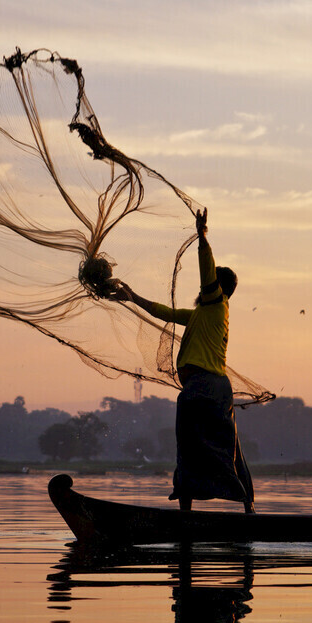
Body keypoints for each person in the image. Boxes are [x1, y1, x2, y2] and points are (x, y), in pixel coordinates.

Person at [111, 208, 255, 513]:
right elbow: (164, 313)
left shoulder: (217, 305)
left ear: (218, 287)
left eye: (211, 283)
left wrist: (202, 238)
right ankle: (241, 509)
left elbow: (206, 270)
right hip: (210, 389)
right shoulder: (201, 315)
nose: (204, 287)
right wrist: (131, 296)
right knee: (219, 447)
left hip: (205, 388)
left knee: (199, 448)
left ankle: (217, 512)